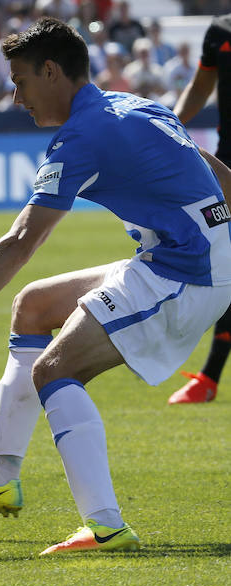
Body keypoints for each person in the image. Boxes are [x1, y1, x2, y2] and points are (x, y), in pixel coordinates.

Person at [0, 17, 231, 556]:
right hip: (188, 256)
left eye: (21, 81)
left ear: (51, 71)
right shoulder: (136, 105)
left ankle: (105, 527)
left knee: (54, 369)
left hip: (187, 271)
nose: (16, 96)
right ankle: (0, 480)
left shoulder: (81, 137)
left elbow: (20, 241)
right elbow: (215, 173)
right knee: (32, 305)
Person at [167, 13, 231, 405]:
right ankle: (208, 378)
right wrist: (167, 124)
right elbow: (201, 85)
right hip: (226, 166)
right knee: (224, 262)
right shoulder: (220, 30)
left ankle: (209, 377)